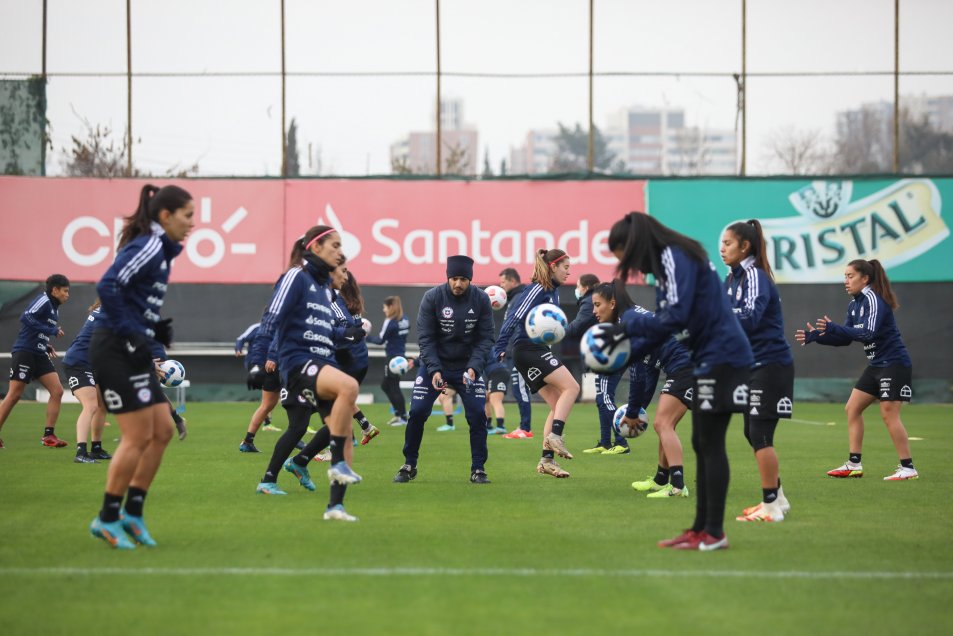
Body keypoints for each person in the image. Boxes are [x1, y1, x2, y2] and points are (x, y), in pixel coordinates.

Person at [592, 212, 753, 551]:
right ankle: (701, 530)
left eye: (623, 255)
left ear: (634, 245)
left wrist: (624, 334)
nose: (627, 264)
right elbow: (669, 325)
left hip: (722, 355)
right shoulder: (669, 265)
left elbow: (675, 317)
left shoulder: (672, 257)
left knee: (710, 443)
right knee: (701, 441)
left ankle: (712, 532)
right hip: (706, 356)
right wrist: (627, 346)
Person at [87, 184, 194, 549]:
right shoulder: (150, 244)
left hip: (132, 347)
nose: (193, 223)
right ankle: (106, 518)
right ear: (165, 215)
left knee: (162, 430)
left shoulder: (162, 252)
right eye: (188, 215)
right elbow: (108, 285)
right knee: (137, 437)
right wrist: (134, 333)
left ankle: (132, 514)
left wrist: (151, 335)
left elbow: (134, 303)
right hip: (114, 348)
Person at [252, 226, 363, 522]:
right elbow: (271, 316)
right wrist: (257, 360)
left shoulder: (325, 289)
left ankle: (335, 507)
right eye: (335, 245)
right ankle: (332, 465)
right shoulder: (295, 277)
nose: (340, 252)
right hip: (299, 363)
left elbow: (326, 331)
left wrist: (349, 334)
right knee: (349, 387)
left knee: (345, 431)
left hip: (321, 362)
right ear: (315, 247)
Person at [795, 258, 918, 482]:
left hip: (894, 362)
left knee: (889, 413)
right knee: (852, 408)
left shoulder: (873, 299)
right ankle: (854, 464)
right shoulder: (855, 304)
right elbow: (845, 339)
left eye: (850, 276)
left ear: (865, 278)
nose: (846, 281)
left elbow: (868, 333)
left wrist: (836, 328)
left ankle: (908, 468)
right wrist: (819, 337)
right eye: (845, 276)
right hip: (876, 365)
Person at [392, 255, 495, 485]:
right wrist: (434, 370)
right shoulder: (432, 298)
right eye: (454, 278)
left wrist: (473, 369)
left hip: (468, 369)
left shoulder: (481, 300)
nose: (458, 284)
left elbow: (486, 339)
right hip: (436, 367)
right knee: (417, 412)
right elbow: (426, 339)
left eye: (463, 279)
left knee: (478, 415)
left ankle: (478, 468)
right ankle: (409, 464)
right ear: (448, 277)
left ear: (470, 279)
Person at [721, 220, 794, 522]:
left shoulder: (754, 275)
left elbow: (750, 318)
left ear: (745, 246)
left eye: (728, 243)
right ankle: (777, 499)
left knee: (761, 433)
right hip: (752, 366)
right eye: (721, 243)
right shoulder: (732, 279)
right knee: (751, 431)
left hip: (771, 364)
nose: (722, 248)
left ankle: (770, 509)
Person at [494, 249, 579, 478]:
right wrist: (500, 346)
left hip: (533, 351)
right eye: (566, 267)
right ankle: (556, 436)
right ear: (553, 266)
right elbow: (514, 316)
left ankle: (546, 461)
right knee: (572, 388)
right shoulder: (538, 289)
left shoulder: (553, 292)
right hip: (529, 350)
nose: (569, 272)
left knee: (557, 404)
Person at [0, 273, 71, 450]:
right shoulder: (44, 299)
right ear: (54, 290)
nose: (67, 295)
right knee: (14, 394)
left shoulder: (55, 308)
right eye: (65, 291)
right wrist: (50, 330)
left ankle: (48, 436)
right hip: (25, 352)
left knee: (57, 391)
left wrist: (46, 344)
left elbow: (37, 328)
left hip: (39, 353)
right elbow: (26, 317)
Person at [581, 281, 641, 456]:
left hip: (618, 357)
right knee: (601, 398)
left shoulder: (625, 316)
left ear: (612, 303)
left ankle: (621, 442)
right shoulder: (620, 315)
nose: (594, 310)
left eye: (597, 305)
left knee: (605, 397)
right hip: (616, 355)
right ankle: (606, 442)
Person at [329, 263, 379, 444]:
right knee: (343, 397)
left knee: (331, 403)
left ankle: (340, 443)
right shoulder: (354, 302)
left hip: (347, 359)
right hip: (360, 358)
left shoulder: (337, 302)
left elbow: (346, 325)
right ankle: (366, 427)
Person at [62, 300, 112, 463]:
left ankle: (96, 448)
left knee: (101, 405)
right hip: (78, 362)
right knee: (90, 405)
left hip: (91, 363)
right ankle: (80, 453)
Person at [236, 320, 281, 453]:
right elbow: (241, 339)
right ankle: (295, 437)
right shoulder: (261, 327)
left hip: (270, 366)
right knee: (294, 400)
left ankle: (248, 441)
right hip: (274, 367)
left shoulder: (269, 328)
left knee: (268, 404)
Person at [497, 268, 533, 437]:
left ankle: (525, 428)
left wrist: (511, 348)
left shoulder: (519, 297)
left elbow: (517, 327)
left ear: (512, 281)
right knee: (519, 388)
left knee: (520, 389)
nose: (501, 285)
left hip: (519, 351)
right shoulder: (512, 299)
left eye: (503, 282)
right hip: (513, 350)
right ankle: (524, 426)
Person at [366, 296, 411, 426]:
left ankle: (402, 417)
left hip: (393, 359)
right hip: (401, 356)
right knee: (387, 385)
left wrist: (365, 337)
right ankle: (399, 414)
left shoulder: (391, 322)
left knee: (392, 386)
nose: (383, 309)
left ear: (391, 307)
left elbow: (380, 340)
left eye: (385, 307)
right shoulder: (405, 320)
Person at [483, 357, 509, 434]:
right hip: (491, 374)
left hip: (498, 372)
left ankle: (500, 427)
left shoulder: (482, 347)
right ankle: (488, 425)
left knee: (495, 400)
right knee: (485, 399)